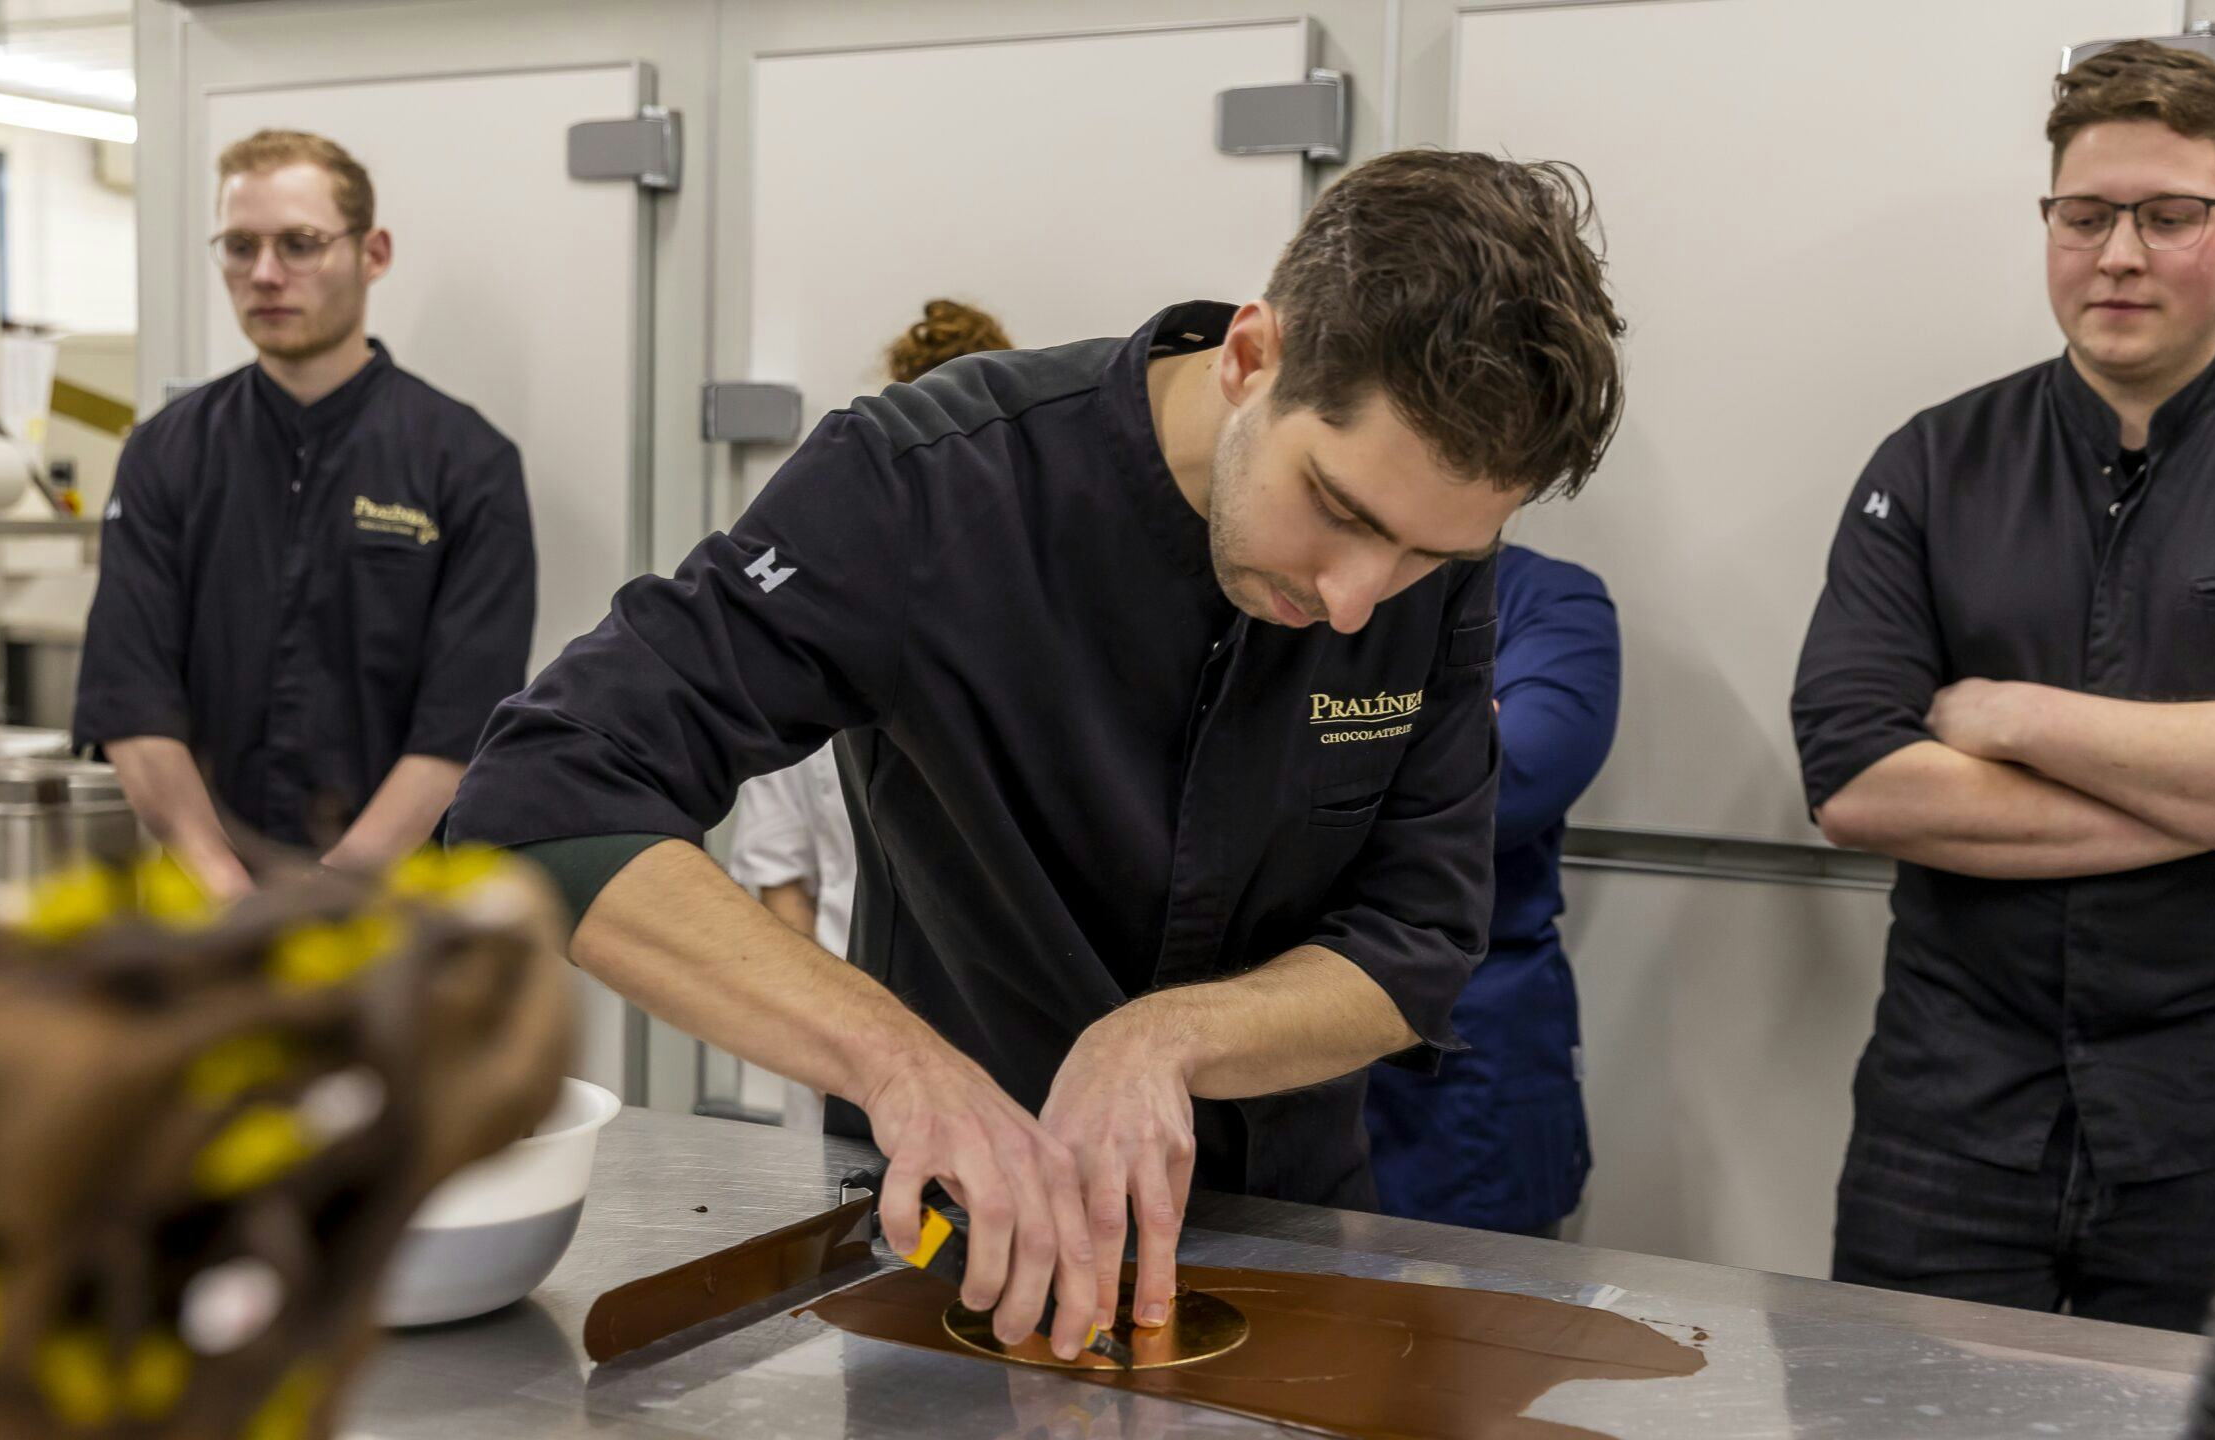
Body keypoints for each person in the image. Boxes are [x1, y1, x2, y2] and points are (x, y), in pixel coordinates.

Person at [450, 149, 1627, 1361]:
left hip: (1284, 1251)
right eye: (1338, 510)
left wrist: (1161, 1040)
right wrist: (899, 1063)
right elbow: (545, 795)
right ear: (1248, 358)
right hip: (946, 1258)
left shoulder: (1420, 568)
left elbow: (1416, 942)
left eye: (1427, 559)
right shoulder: (923, 488)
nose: (1354, 603)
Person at [1790, 42, 2215, 1330]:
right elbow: (1852, 781)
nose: (2119, 253)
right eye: (2085, 214)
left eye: (2170, 216)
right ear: (2051, 222)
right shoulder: (1935, 461)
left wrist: (2002, 716)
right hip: (1945, 1123)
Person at [75, 130, 536, 898]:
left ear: (373, 253)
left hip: (394, 909)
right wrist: (223, 885)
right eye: (239, 246)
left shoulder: (466, 462)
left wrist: (328, 895)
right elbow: (132, 700)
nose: (264, 275)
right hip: (204, 901)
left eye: (299, 244)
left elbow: (459, 729)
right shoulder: (165, 452)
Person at [729, 298, 1016, 1132]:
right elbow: (779, 875)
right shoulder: (815, 639)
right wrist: (842, 1053)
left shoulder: (1043, 635)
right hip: (843, 1052)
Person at [1364, 543, 1618, 1236]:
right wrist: (1451, 735)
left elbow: (1508, 788)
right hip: (1269, 1014)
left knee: (1473, 1327)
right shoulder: (1309, 574)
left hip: (1466, 1043)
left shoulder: (1553, 599)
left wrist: (1320, 755)